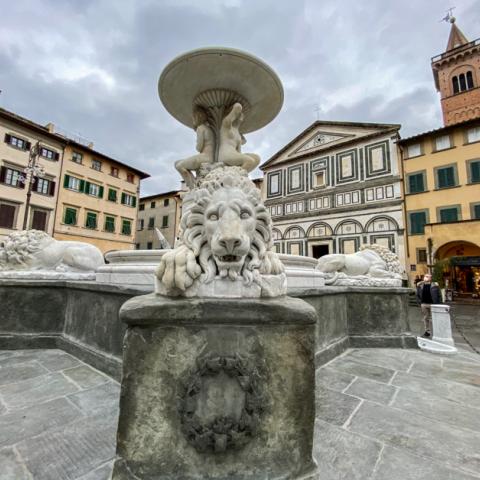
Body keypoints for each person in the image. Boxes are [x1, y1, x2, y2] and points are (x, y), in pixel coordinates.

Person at [416, 273, 442, 338]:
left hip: (433, 304)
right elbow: (417, 295)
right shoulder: (420, 285)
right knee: (426, 318)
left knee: (435, 318)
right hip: (424, 304)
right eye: (425, 276)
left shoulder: (435, 285)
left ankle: (438, 332)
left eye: (428, 277)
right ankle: (427, 332)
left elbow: (439, 295)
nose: (426, 278)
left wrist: (439, 303)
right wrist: (420, 303)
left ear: (430, 278)